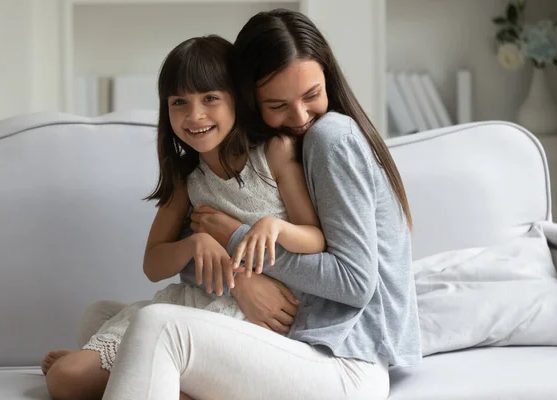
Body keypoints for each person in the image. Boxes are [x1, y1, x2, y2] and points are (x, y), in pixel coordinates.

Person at [101, 8, 422, 400]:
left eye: (312, 95)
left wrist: (234, 238)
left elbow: (355, 283)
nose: (300, 116)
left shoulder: (331, 138)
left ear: (329, 80)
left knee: (157, 327)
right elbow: (193, 243)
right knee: (104, 319)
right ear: (250, 101)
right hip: (298, 342)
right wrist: (241, 281)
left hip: (345, 356)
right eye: (277, 105)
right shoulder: (254, 160)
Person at [42, 34, 326, 400]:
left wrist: (274, 226)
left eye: (210, 99)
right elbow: (153, 264)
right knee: (77, 354)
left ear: (236, 99)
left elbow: (316, 238)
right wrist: (195, 243)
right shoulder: (186, 179)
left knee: (68, 378)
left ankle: (112, 373)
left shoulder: (273, 152)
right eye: (180, 102)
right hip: (198, 306)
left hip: (258, 321)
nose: (195, 116)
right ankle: (120, 372)